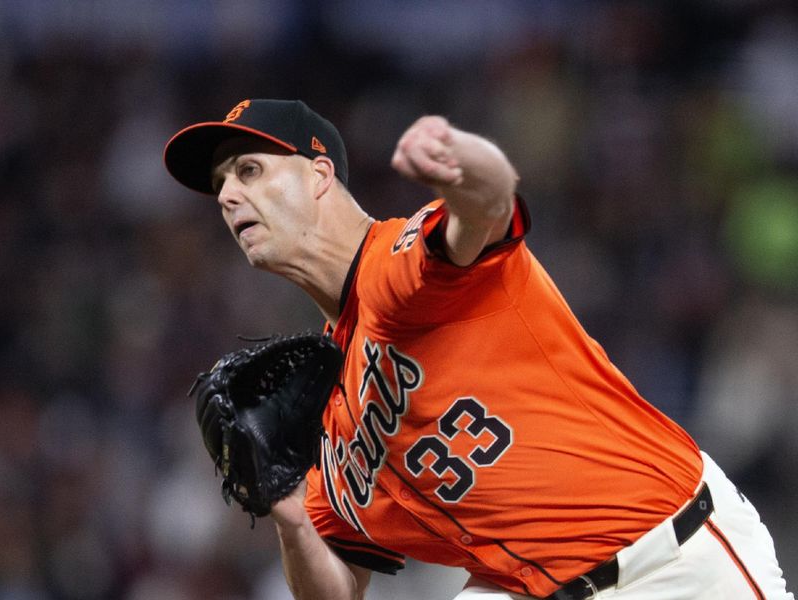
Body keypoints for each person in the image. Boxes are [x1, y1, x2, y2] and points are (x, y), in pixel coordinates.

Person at [163, 99, 793, 600]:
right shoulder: (332, 410)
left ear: (320, 174)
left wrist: (465, 160)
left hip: (672, 560)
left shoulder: (399, 264)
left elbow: (489, 205)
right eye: (220, 183)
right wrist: (289, 516)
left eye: (249, 170)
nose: (227, 195)